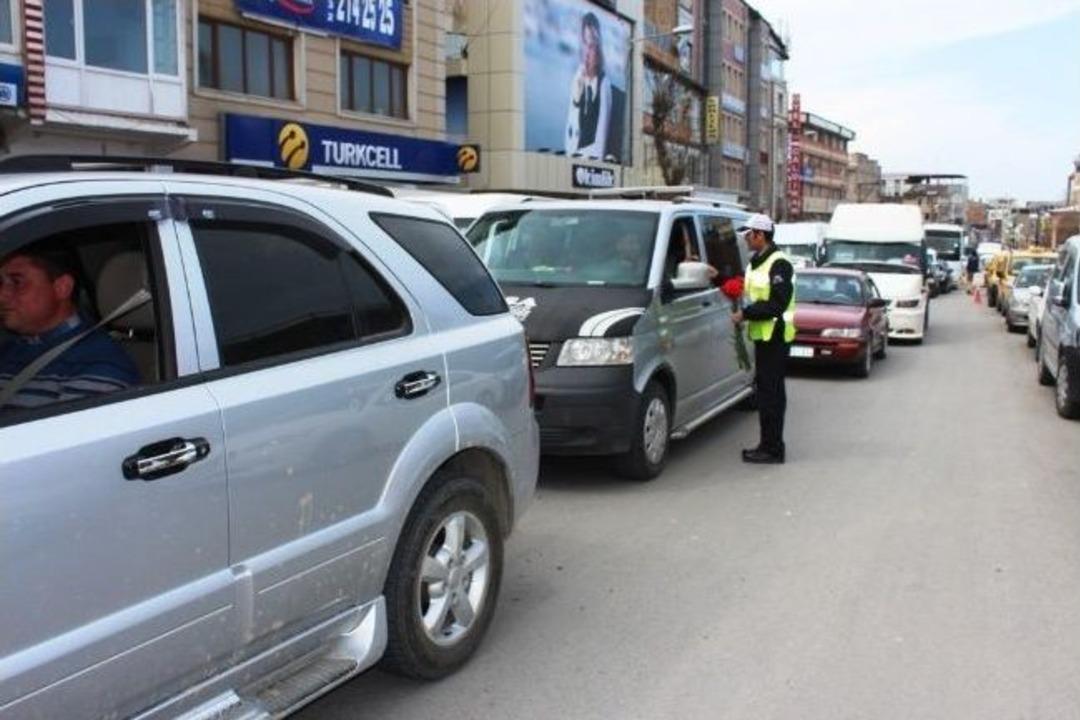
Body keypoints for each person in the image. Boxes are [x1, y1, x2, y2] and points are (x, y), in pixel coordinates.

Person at [0, 244, 139, 412]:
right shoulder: (11, 348)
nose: (2, 295)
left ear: (62, 288)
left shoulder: (100, 367)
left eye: (17, 282)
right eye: (1, 282)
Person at [730, 213, 794, 464]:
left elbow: (776, 304)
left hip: (776, 337)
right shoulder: (756, 262)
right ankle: (767, 444)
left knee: (772, 396)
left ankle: (773, 449)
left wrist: (745, 314)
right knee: (765, 393)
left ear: (760, 235)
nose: (746, 239)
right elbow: (751, 292)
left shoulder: (779, 264)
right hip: (763, 337)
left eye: (749, 235)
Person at [564, 12, 611, 160]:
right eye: (583, 43)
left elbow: (601, 139)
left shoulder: (604, 84)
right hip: (573, 159)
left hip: (590, 165)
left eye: (591, 45)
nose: (586, 52)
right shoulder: (577, 78)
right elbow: (570, 129)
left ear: (598, 48)